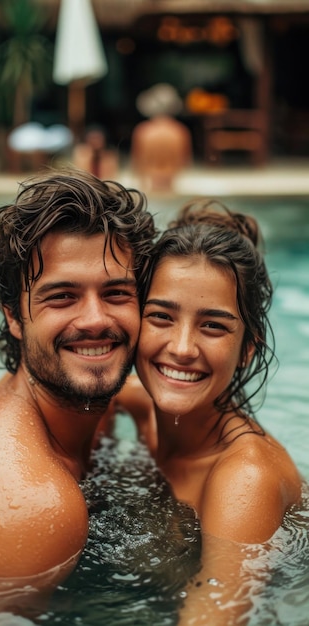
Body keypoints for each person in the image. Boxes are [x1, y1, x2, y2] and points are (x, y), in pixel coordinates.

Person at [0, 167, 156, 594]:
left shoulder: (76, 394)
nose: (95, 320)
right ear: (13, 315)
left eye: (116, 293)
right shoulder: (28, 505)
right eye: (62, 296)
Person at [115, 202, 303, 623]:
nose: (182, 348)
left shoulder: (244, 480)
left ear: (247, 349)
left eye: (213, 326)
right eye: (161, 316)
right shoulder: (142, 403)